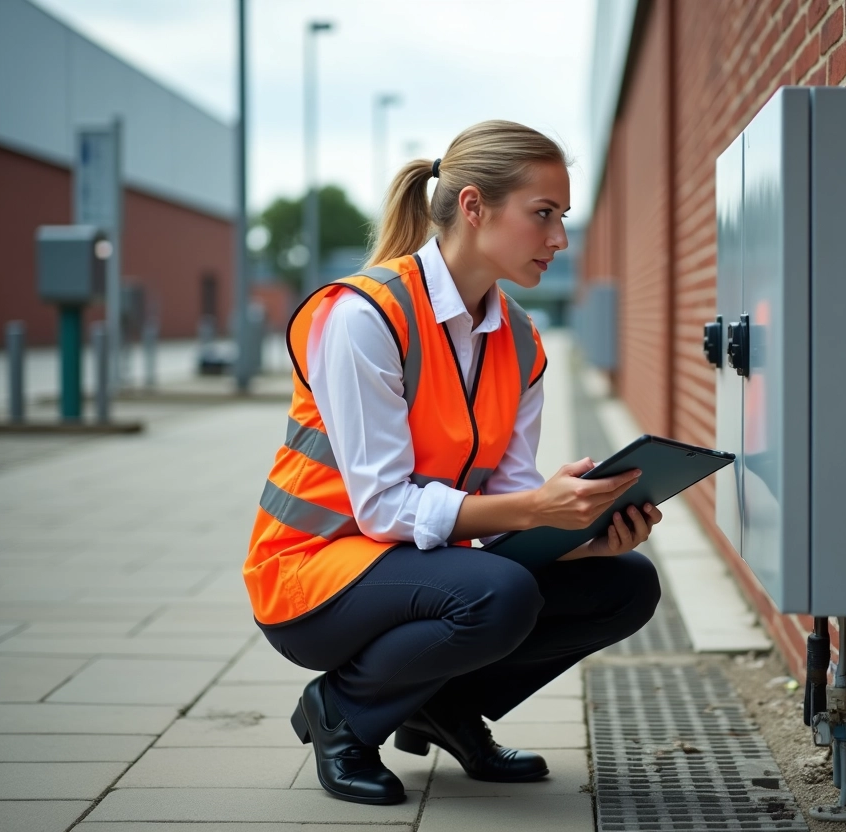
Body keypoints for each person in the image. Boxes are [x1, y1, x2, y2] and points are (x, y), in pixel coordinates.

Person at [241, 120, 663, 806]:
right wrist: (535, 511)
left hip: (415, 567)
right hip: (311, 573)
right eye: (543, 214)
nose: (559, 239)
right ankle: (342, 712)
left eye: (563, 217)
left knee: (626, 584)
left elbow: (508, 506)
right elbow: (382, 507)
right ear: (473, 207)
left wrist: (577, 537)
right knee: (497, 595)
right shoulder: (364, 317)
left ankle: (438, 707)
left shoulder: (520, 340)